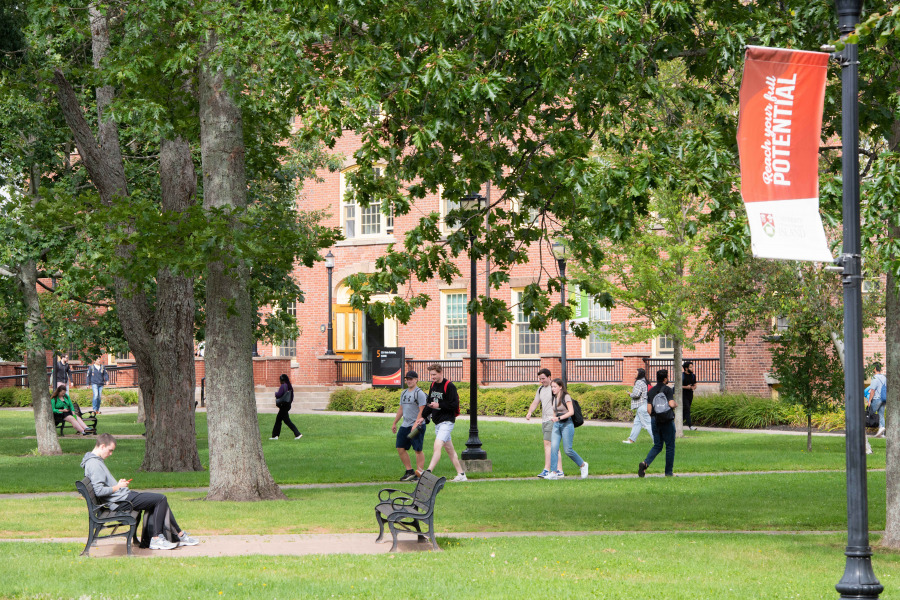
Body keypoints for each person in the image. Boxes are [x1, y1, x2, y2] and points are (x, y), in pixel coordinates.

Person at [82, 433, 199, 550]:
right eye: (110, 450)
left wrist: (118, 485)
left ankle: (178, 535)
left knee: (159, 500)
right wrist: (118, 487)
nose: (111, 454)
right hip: (121, 502)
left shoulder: (94, 461)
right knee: (161, 499)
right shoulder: (94, 464)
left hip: (122, 497)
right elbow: (99, 491)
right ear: (102, 446)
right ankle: (157, 539)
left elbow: (102, 486)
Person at [422, 364, 467, 482]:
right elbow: (429, 402)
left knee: (437, 445)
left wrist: (439, 405)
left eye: (434, 375)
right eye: (431, 375)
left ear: (440, 373)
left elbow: (454, 405)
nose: (432, 377)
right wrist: (422, 417)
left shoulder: (449, 386)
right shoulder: (433, 385)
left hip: (447, 422)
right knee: (450, 450)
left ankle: (428, 472)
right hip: (437, 422)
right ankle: (461, 474)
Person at [546, 378, 589, 480]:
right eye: (552, 387)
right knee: (554, 448)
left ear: (560, 387)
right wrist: (553, 419)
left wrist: (559, 418)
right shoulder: (554, 397)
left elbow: (571, 412)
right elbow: (555, 411)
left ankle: (583, 465)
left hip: (567, 424)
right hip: (557, 424)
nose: (552, 389)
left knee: (568, 450)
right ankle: (554, 472)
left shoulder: (566, 397)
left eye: (554, 387)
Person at [525, 368, 565, 478]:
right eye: (540, 379)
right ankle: (559, 470)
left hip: (552, 420)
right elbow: (535, 402)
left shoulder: (554, 388)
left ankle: (547, 469)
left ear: (549, 377)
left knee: (548, 445)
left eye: (543, 378)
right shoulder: (540, 389)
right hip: (545, 421)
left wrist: (556, 415)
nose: (542, 381)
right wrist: (529, 412)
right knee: (553, 446)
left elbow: (562, 401)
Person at [638, 369, 676, 478]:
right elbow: (671, 404)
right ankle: (668, 473)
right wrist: (675, 404)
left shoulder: (651, 391)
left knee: (658, 445)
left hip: (655, 420)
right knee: (670, 446)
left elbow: (649, 409)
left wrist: (655, 417)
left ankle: (645, 464)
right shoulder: (668, 390)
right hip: (667, 421)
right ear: (665, 379)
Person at [392, 370, 428, 481]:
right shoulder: (404, 393)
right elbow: (401, 409)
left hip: (417, 426)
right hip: (405, 425)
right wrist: (395, 423)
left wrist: (416, 424)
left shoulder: (419, 393)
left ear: (416, 380)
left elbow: (422, 410)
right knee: (400, 447)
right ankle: (409, 471)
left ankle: (419, 474)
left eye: (411, 379)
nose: (409, 381)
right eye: (407, 379)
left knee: (417, 449)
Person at [624, 368, 653, 444]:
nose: (634, 374)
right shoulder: (644, 381)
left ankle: (657, 441)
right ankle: (631, 440)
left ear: (640, 374)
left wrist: (630, 394)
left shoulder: (639, 382)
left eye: (635, 372)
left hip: (641, 406)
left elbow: (636, 394)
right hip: (643, 405)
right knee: (637, 423)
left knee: (648, 424)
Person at [269, 374, 302, 440]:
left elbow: (279, 394)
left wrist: (275, 393)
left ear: (282, 380)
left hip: (283, 405)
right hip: (287, 405)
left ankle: (298, 434)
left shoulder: (283, 386)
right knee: (278, 420)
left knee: (287, 421)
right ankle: (275, 435)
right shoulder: (289, 386)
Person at [682, 361, 698, 431]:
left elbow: (695, 384)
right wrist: (686, 387)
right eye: (691, 367)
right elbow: (678, 386)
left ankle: (676, 424)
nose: (692, 368)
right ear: (686, 368)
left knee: (684, 411)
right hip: (683, 394)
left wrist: (694, 387)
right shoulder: (682, 376)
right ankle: (690, 426)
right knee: (687, 409)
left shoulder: (693, 376)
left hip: (690, 394)